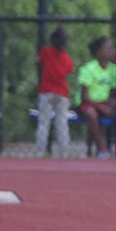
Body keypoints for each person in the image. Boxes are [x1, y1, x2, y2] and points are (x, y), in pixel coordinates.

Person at [74, 36, 116, 158]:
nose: (111, 50)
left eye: (111, 48)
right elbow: (84, 96)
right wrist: (102, 108)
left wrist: (112, 104)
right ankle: (102, 150)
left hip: (105, 104)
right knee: (91, 114)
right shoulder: (88, 68)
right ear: (98, 52)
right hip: (88, 104)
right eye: (107, 48)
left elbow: (113, 93)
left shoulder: (114, 69)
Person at [33, 26, 75, 157]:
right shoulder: (67, 58)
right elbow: (69, 70)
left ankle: (40, 150)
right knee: (62, 123)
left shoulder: (45, 52)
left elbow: (37, 61)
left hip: (46, 91)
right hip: (62, 93)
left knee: (43, 122)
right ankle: (64, 151)